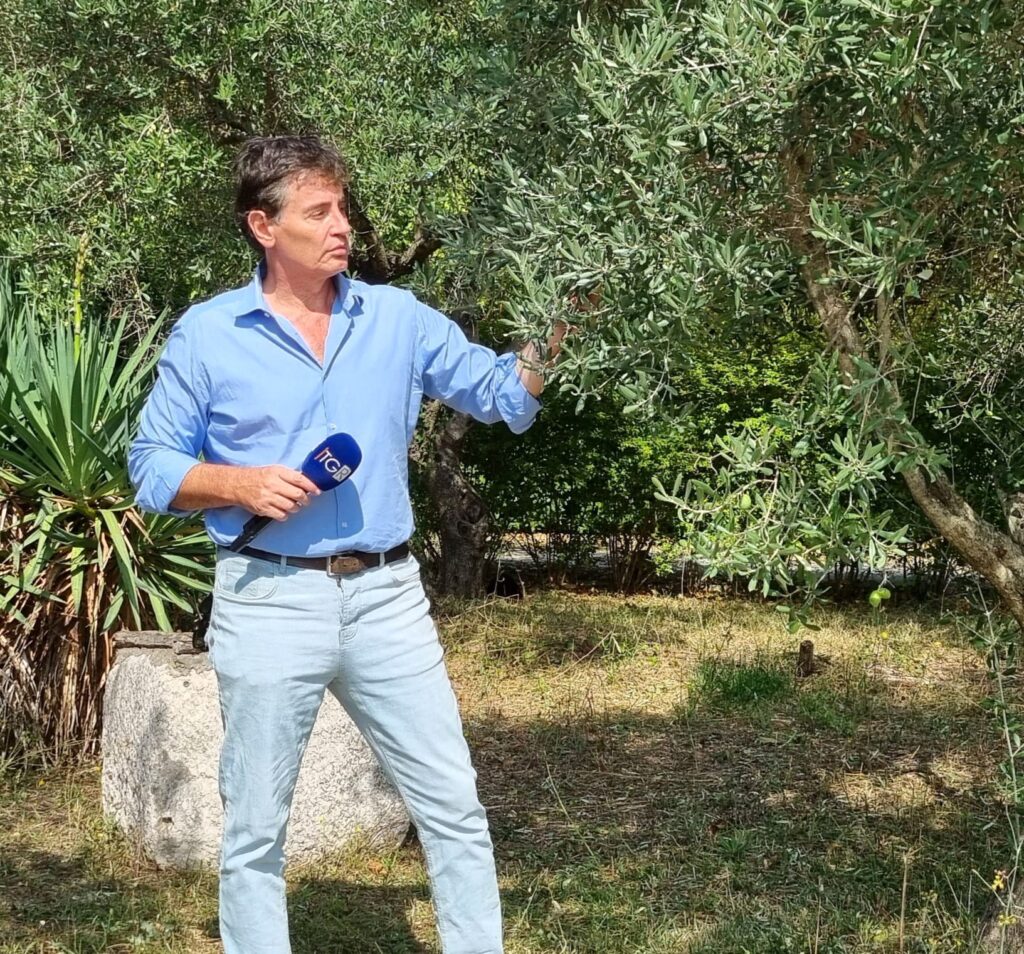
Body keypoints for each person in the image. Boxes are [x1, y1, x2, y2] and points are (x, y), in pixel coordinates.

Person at [128, 135, 566, 954]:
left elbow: (503, 395)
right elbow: (151, 466)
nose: (342, 227)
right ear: (264, 226)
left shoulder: (397, 318)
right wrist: (238, 484)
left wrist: (563, 326)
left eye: (343, 209)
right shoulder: (208, 334)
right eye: (318, 212)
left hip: (388, 600)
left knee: (453, 804)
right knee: (256, 825)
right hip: (268, 597)